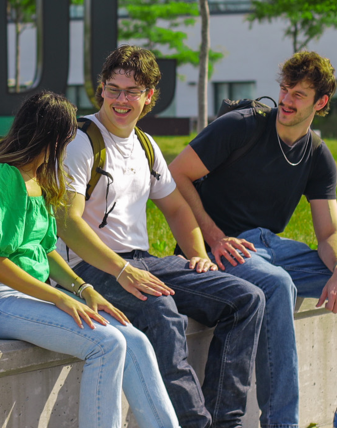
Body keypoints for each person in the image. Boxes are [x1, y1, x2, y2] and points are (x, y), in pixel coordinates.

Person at [168, 51, 337, 428]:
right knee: (278, 285)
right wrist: (213, 237)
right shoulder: (241, 126)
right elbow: (176, 175)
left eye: (298, 94)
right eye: (284, 89)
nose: (286, 100)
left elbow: (329, 232)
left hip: (269, 247)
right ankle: (282, 422)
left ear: (321, 102)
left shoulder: (316, 154)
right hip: (223, 247)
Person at [55, 45, 265, 428]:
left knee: (246, 299)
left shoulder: (146, 146)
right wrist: (121, 271)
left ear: (149, 96)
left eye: (132, 91)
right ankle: (193, 423)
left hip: (143, 261)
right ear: (101, 89)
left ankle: (226, 421)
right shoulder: (81, 141)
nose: (121, 100)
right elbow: (67, 224)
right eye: (113, 89)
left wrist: (198, 253)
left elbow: (178, 209)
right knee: (160, 310)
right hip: (88, 267)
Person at [0, 91, 180, 428]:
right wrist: (61, 300)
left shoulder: (40, 179)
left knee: (134, 338)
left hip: (32, 296)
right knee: (107, 344)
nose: (71, 146)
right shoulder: (1, 177)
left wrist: (83, 289)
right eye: (68, 138)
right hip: (0, 301)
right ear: (52, 137)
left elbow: (47, 250)